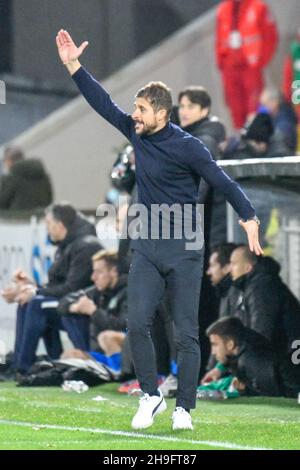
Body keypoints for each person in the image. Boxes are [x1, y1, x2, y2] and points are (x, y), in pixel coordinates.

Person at [56, 29, 262, 431]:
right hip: (148, 246)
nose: (134, 114)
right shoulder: (135, 131)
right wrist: (74, 67)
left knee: (186, 332)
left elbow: (223, 182)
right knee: (137, 324)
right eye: (134, 108)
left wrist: (248, 216)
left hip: (185, 247)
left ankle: (183, 407)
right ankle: (151, 396)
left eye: (142, 109)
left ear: (162, 113)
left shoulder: (190, 147)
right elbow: (102, 103)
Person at [1, 203, 102, 375]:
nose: (47, 230)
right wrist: (32, 286)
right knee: (29, 301)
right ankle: (23, 362)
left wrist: (36, 292)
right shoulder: (68, 246)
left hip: (80, 307)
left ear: (60, 225)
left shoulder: (86, 247)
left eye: (48, 225)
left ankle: (22, 367)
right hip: (67, 302)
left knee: (36, 304)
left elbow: (72, 288)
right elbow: (58, 287)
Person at [58, 249, 127, 366]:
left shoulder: (129, 291)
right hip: (100, 353)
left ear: (113, 272)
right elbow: (64, 302)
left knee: (106, 337)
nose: (93, 277)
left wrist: (94, 311)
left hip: (128, 352)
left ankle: (121, 374)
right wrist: (75, 307)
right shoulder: (97, 292)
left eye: (98, 272)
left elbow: (123, 325)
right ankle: (103, 369)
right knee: (68, 356)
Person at [216, 0, 278, 129]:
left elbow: (270, 36)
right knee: (235, 108)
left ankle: (259, 136)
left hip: (250, 66)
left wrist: (260, 62)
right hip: (230, 68)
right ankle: (242, 139)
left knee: (255, 107)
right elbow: (219, 39)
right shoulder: (223, 9)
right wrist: (221, 62)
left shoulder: (259, 7)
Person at [206, 317, 299, 398]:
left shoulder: (252, 360)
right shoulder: (245, 348)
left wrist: (246, 390)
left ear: (230, 344)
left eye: (215, 345)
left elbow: (274, 399)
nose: (213, 352)